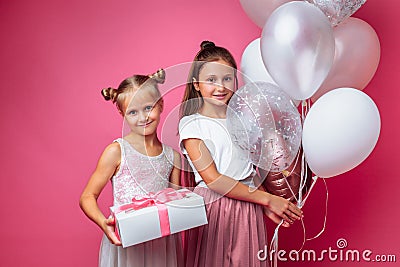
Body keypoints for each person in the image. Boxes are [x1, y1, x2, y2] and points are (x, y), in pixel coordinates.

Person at [179, 41, 303, 267]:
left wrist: (265, 204)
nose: (220, 87)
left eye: (227, 79)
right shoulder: (192, 124)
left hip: (248, 204)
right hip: (215, 208)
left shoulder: (242, 118)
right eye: (211, 80)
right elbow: (214, 179)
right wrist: (269, 199)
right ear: (196, 84)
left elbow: (248, 168)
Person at [80, 69, 184, 267]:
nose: (143, 117)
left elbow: (175, 202)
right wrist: (104, 223)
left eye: (148, 108)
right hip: (127, 241)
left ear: (161, 104)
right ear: (122, 113)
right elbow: (87, 197)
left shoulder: (173, 158)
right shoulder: (117, 151)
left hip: (161, 243)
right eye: (133, 112)